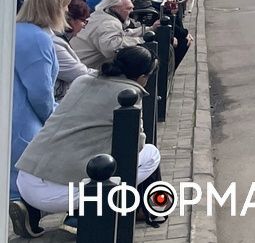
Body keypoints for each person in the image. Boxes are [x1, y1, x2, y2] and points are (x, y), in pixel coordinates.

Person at [15, 46, 164, 231]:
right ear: (143, 76)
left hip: (25, 177)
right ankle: (91, 215)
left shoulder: (82, 80)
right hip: (58, 193)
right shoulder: (129, 94)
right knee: (150, 154)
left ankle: (35, 211)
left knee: (90, 157)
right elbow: (135, 147)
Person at [9, 0, 72, 237]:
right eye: (65, 5)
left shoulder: (15, 30)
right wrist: (54, 120)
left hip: (12, 112)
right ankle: (30, 215)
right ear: (54, 7)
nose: (67, 11)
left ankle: (25, 212)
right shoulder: (39, 39)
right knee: (35, 171)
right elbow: (40, 91)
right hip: (25, 119)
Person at [72, 0, 148, 69]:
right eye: (128, 8)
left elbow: (122, 35)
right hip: (84, 70)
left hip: (78, 64)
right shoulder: (109, 23)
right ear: (114, 8)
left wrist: (149, 29)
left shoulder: (98, 16)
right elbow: (111, 49)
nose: (132, 12)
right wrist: (141, 40)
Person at [54, 0, 97, 100]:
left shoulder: (61, 39)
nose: (84, 26)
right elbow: (79, 74)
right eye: (83, 21)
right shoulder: (55, 42)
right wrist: (109, 73)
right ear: (69, 19)